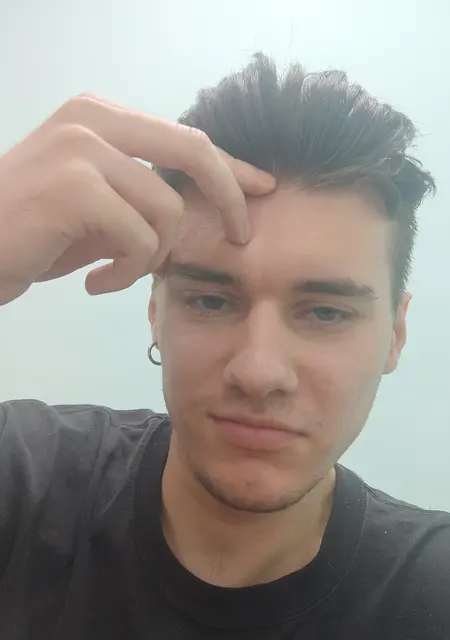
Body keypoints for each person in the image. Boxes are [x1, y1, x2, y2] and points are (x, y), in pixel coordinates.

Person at [0, 53, 448, 640]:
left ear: (395, 334)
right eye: (211, 301)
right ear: (156, 311)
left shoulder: (432, 590)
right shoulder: (23, 481)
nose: (258, 372)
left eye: (326, 312)